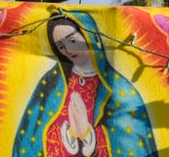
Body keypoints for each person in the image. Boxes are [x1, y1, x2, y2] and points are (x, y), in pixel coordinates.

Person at [13, 11, 158, 156]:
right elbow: (31, 135)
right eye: (61, 46)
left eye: (72, 41)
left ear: (89, 36)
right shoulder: (52, 83)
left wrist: (89, 135)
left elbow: (131, 139)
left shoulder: (120, 89)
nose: (68, 50)